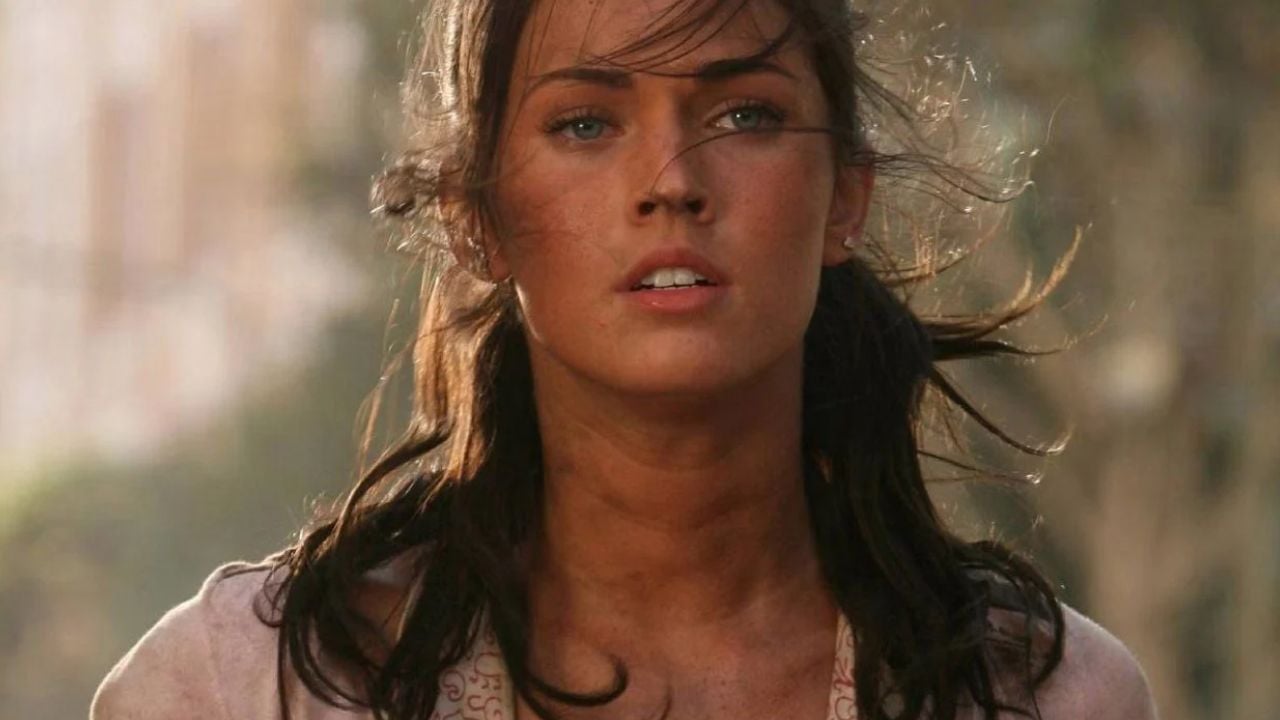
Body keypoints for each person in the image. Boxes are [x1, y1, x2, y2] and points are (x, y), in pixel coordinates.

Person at [91, 0, 1159, 718]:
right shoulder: (248, 689)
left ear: (845, 196)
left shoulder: (1044, 696)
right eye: (586, 124)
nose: (671, 182)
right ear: (476, 218)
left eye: (745, 114)